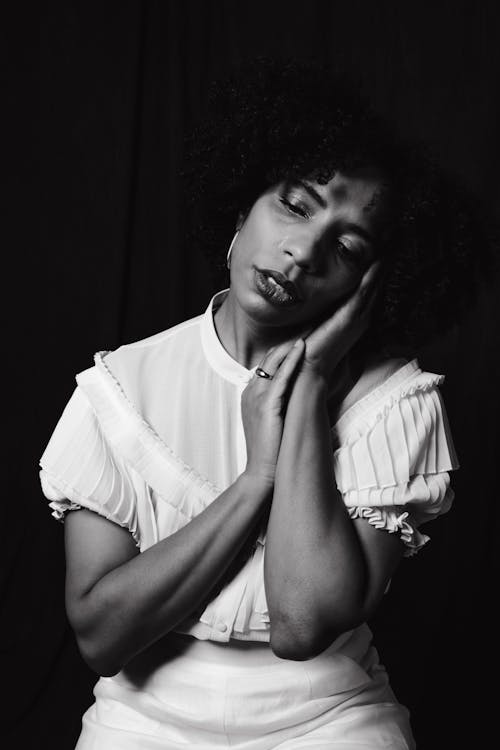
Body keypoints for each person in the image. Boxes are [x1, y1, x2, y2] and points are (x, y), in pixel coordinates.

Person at [39, 59, 488, 749]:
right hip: (142, 716)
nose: (303, 252)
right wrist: (257, 478)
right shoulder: (121, 387)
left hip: (330, 719)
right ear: (243, 202)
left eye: (346, 246)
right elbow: (101, 636)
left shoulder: (395, 401)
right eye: (296, 204)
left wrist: (308, 390)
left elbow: (304, 626)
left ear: (367, 287)